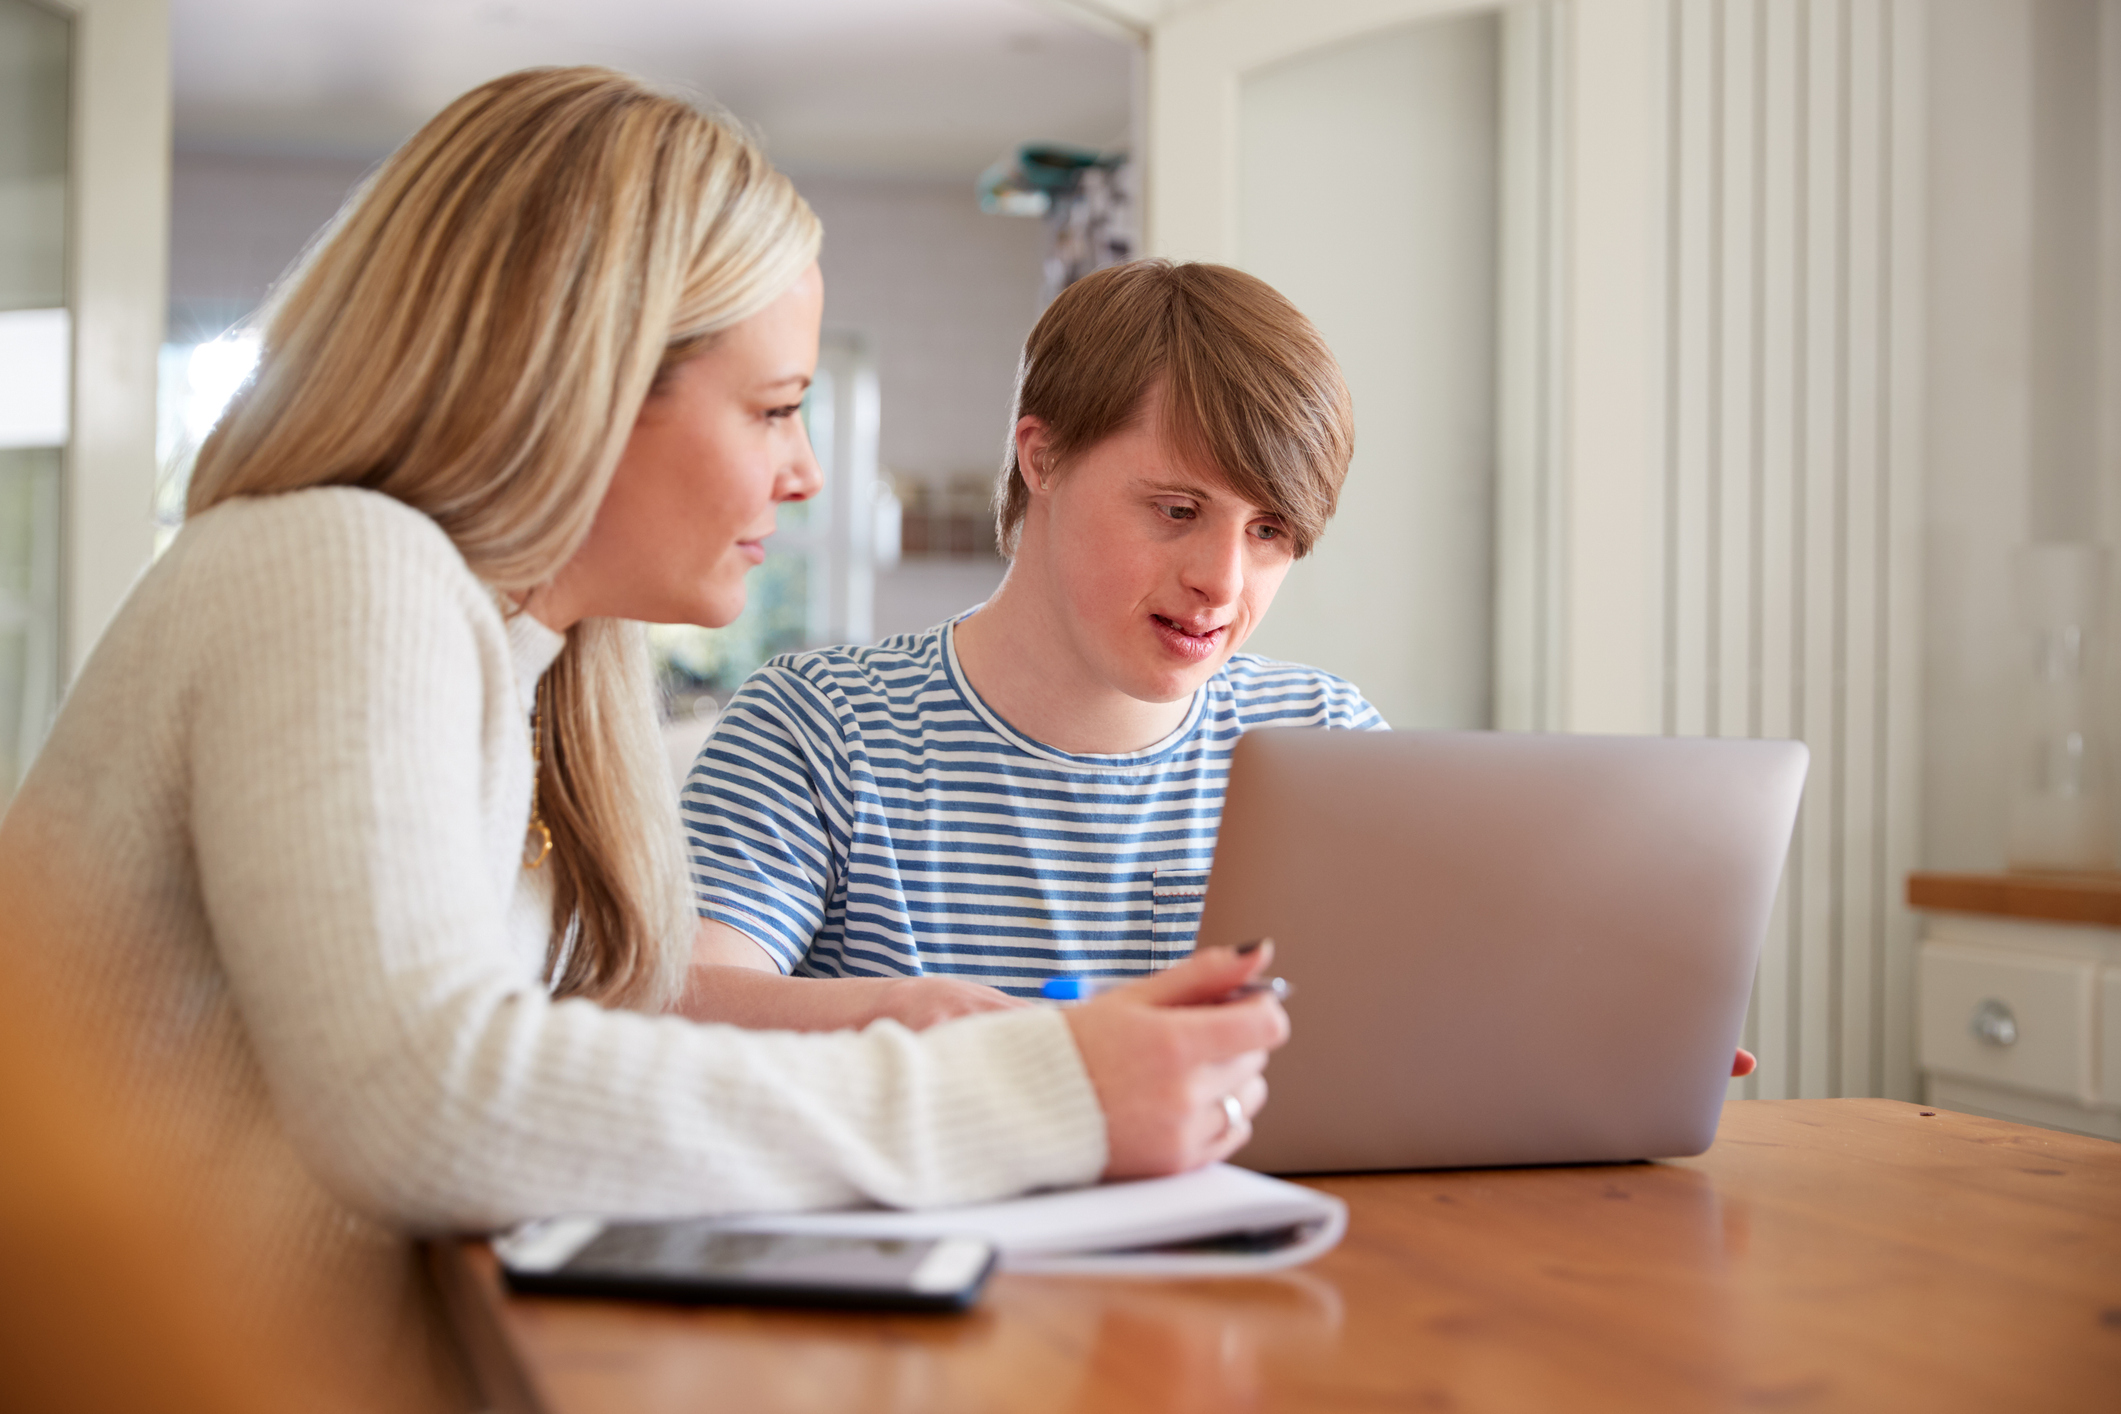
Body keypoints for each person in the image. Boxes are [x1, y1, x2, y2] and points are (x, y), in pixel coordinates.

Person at [0, 69, 1286, 1413]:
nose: (804, 472)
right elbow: (422, 1092)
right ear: (588, 381)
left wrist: (879, 1012)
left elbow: (556, 1047)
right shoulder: (344, 564)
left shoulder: (553, 661)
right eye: (776, 406)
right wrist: (1039, 1089)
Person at [678, 259, 1380, 1030]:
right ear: (1042, 458)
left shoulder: (1326, 739)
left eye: (1269, 531)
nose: (1222, 582)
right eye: (1178, 510)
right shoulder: (816, 727)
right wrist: (905, 1015)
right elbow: (679, 1003)